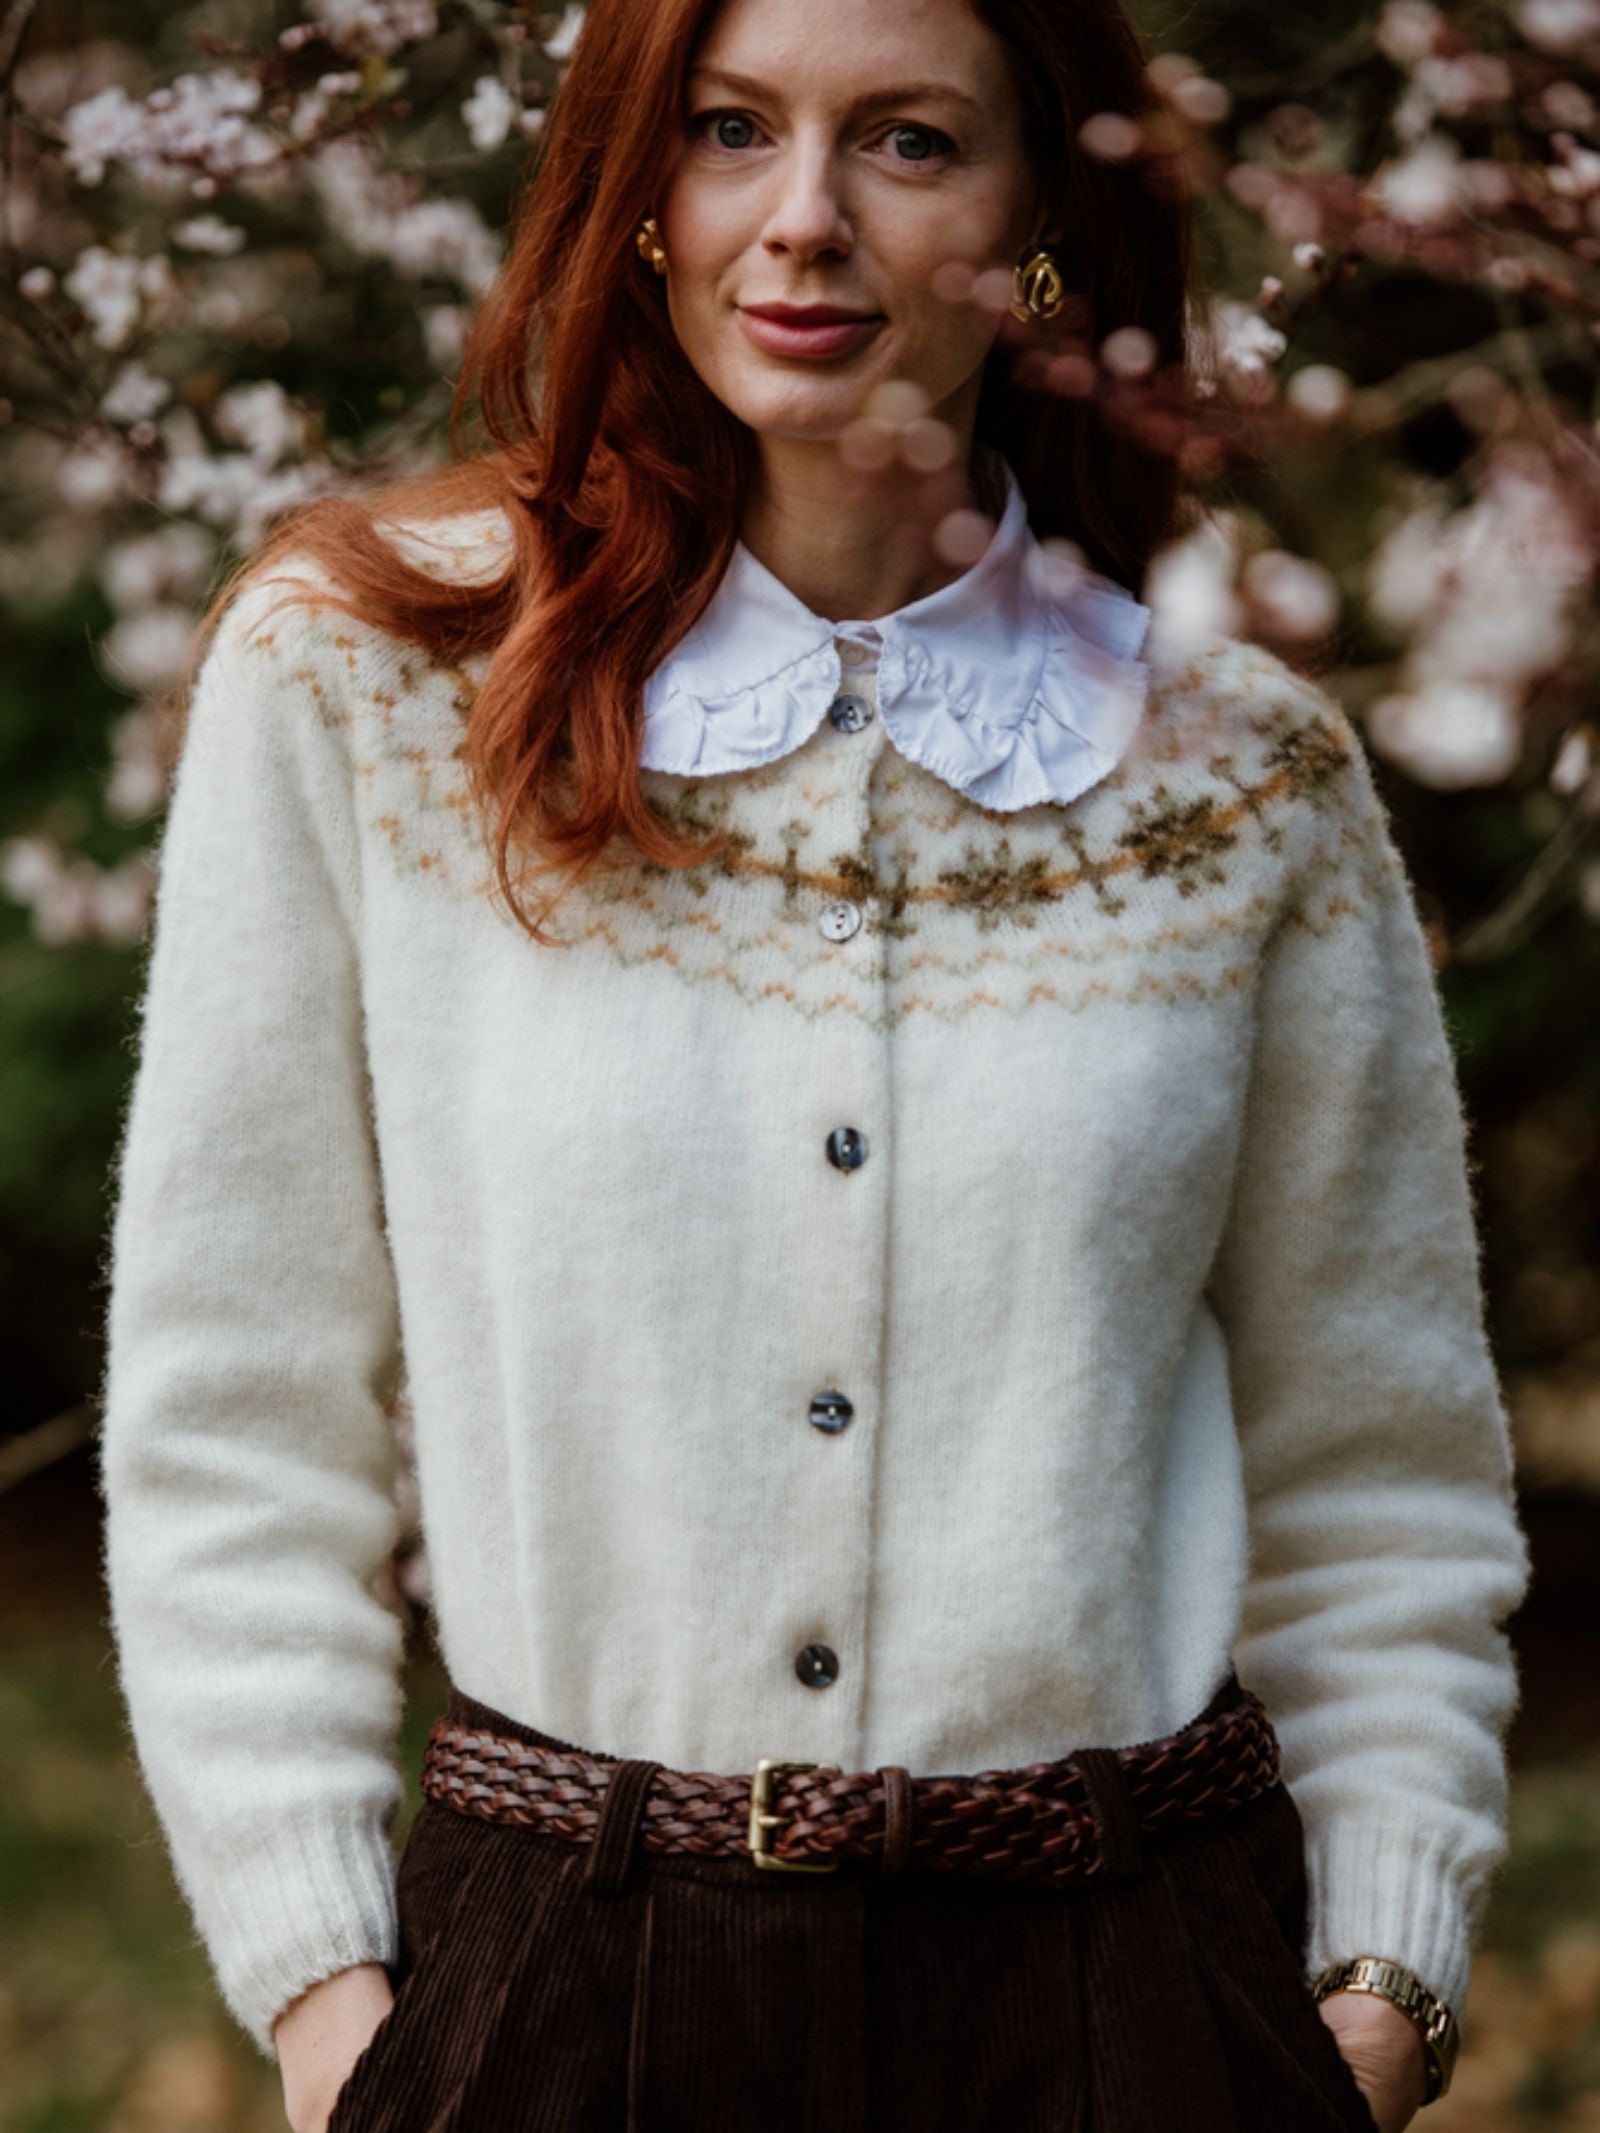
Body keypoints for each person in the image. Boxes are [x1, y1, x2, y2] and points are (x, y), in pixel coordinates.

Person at [96, 0, 1532, 2126]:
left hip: (1133, 1990)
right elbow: (236, 1408)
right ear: (638, 191)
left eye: (908, 141)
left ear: (1045, 216)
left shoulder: (1240, 781)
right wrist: (325, 1992)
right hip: (561, 1978)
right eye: (727, 128)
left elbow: (1380, 1464)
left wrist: (1378, 1993)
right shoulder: (367, 687)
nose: (801, 218)